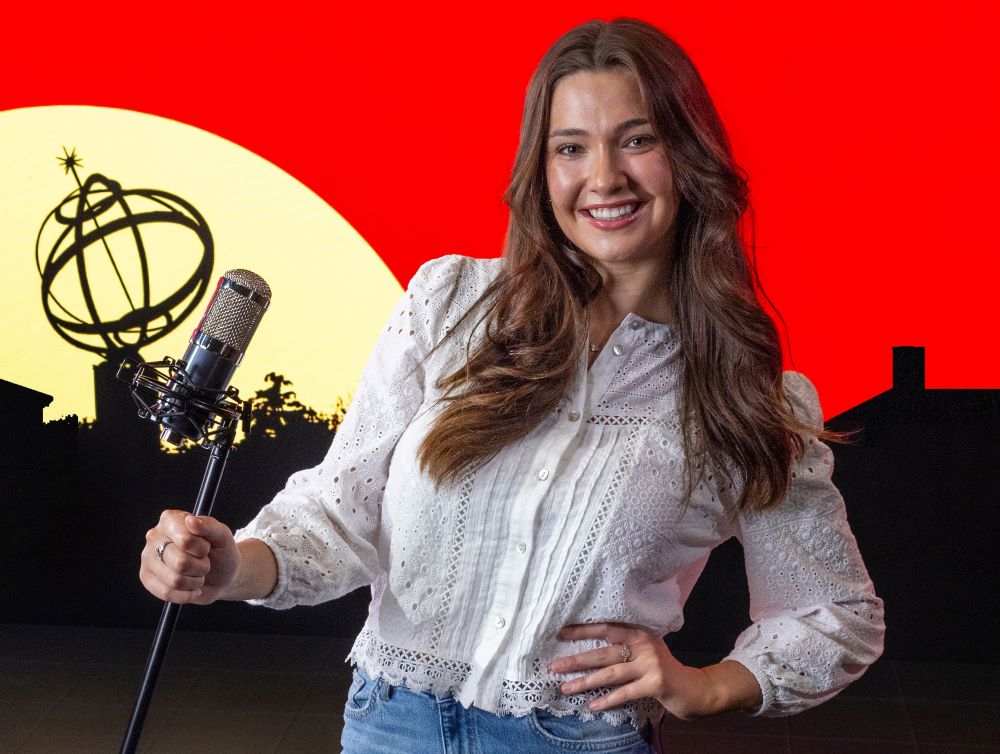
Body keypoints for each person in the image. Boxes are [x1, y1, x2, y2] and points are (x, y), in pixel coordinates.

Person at [140, 18, 885, 753]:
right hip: (388, 727)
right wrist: (231, 564)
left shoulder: (748, 395)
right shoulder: (451, 302)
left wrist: (703, 686)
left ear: (686, 157)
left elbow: (835, 614)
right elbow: (341, 513)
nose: (603, 178)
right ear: (542, 167)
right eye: (571, 148)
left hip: (574, 741)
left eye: (637, 139)